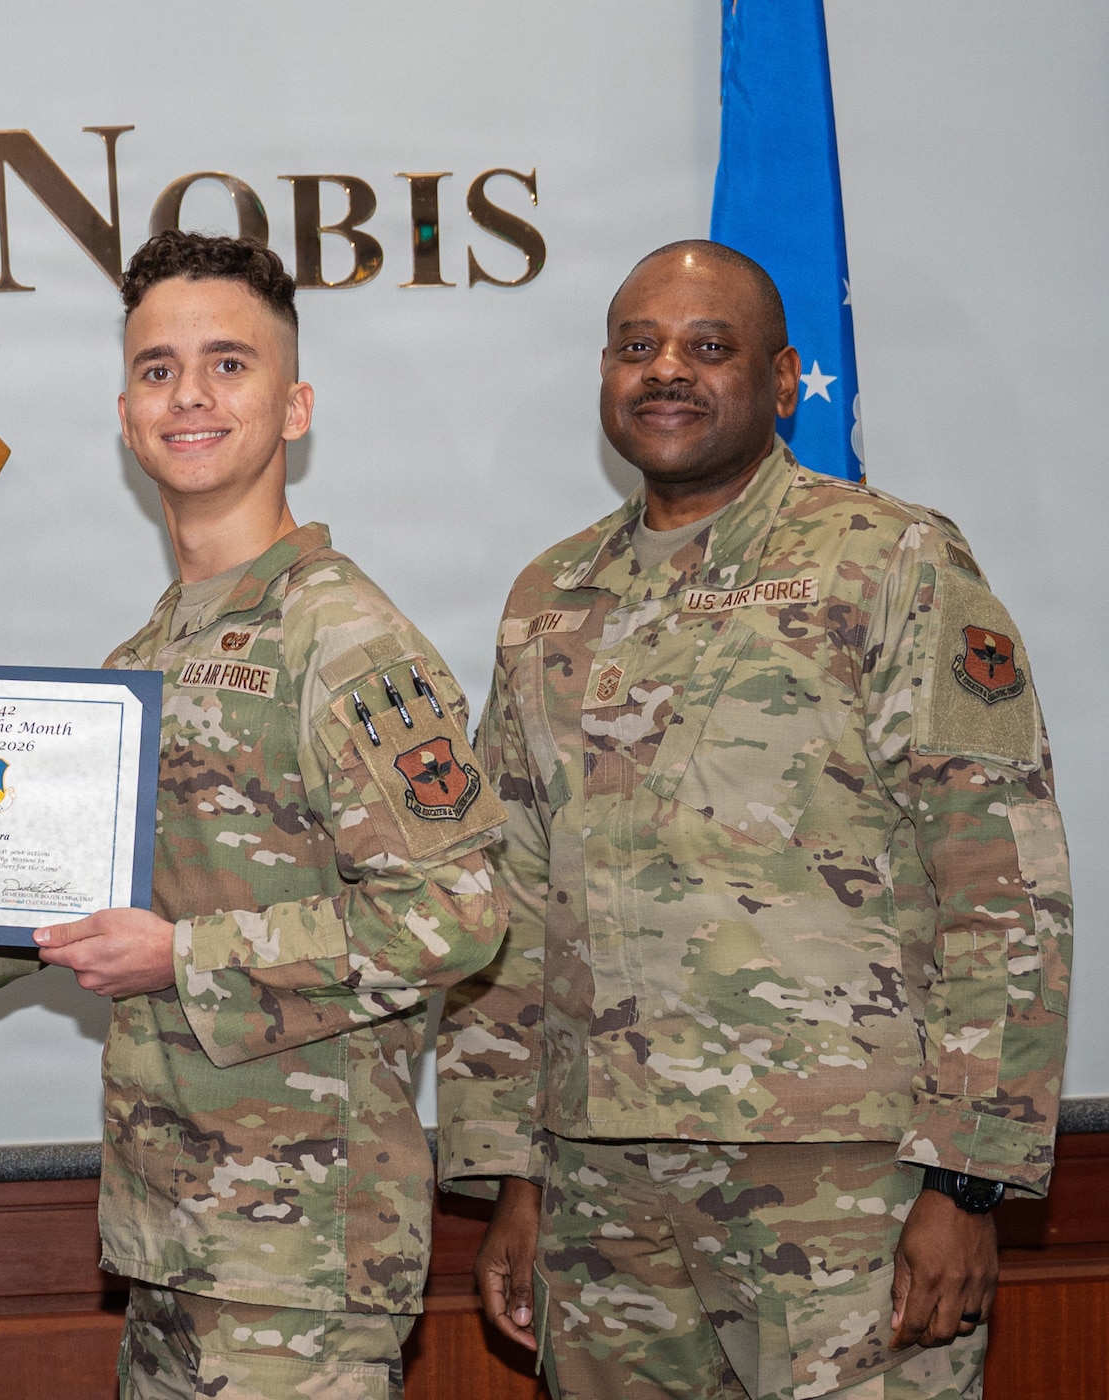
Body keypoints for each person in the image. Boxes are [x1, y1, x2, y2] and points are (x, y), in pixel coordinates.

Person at [0, 230, 509, 1399]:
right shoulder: (146, 656)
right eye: (157, 368)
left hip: (298, 1253)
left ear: (293, 406)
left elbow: (455, 911)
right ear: (124, 409)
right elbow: (36, 903)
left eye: (227, 364)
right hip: (172, 1233)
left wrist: (180, 954)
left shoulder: (342, 640)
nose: (187, 393)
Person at [435, 241, 1072, 1400]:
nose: (665, 370)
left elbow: (1002, 882)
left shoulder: (890, 561)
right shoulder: (549, 597)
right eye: (638, 347)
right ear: (603, 374)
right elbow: (507, 900)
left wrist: (964, 1181)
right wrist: (508, 1173)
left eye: (706, 347)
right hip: (601, 1192)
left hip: (844, 1187)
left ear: (782, 380)